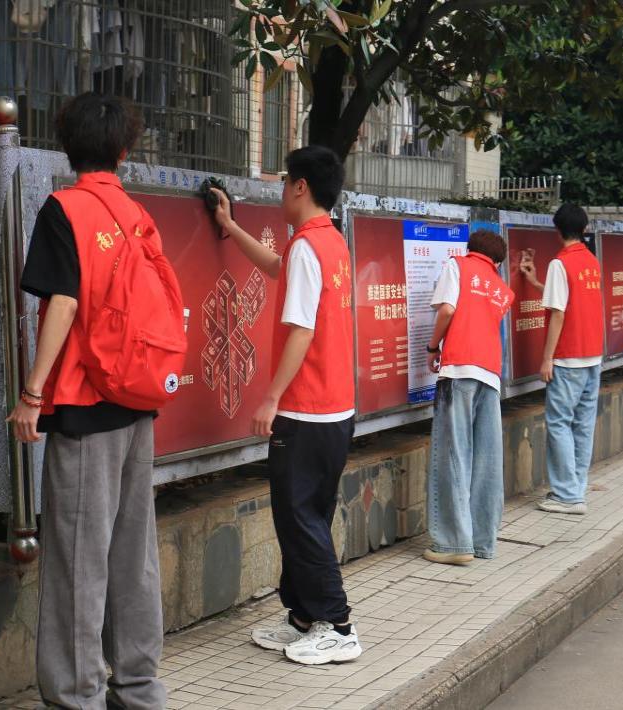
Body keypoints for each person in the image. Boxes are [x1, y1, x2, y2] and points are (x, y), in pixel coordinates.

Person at [7, 92, 167, 709]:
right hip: (136, 402)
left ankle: (77, 698)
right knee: (134, 557)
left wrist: (31, 394)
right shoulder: (136, 213)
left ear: (67, 148)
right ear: (124, 152)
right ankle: (140, 690)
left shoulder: (64, 208)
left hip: (83, 405)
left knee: (78, 562)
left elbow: (64, 304)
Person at [210, 146, 362, 666]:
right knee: (309, 517)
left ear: (300, 186)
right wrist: (230, 227)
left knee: (299, 521)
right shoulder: (329, 241)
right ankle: (302, 616)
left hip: (304, 409)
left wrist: (271, 397)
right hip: (335, 410)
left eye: (283, 183)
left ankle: (338, 626)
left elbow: (301, 329)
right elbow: (277, 267)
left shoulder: (307, 247)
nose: (280, 192)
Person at [423, 229, 514, 565]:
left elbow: (447, 310)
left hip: (459, 368)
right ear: (497, 262)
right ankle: (481, 542)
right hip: (490, 373)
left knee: (453, 454)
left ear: (469, 249)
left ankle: (452, 545)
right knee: (486, 459)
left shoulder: (457, 266)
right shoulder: (502, 289)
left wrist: (432, 347)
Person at [519, 204, 605, 516]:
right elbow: (569, 298)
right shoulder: (591, 261)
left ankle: (567, 496)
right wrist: (535, 284)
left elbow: (558, 312)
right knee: (583, 425)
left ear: (557, 230)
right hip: (592, 356)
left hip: (568, 358)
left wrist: (547, 359)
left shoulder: (560, 263)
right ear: (584, 229)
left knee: (559, 423)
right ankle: (575, 489)